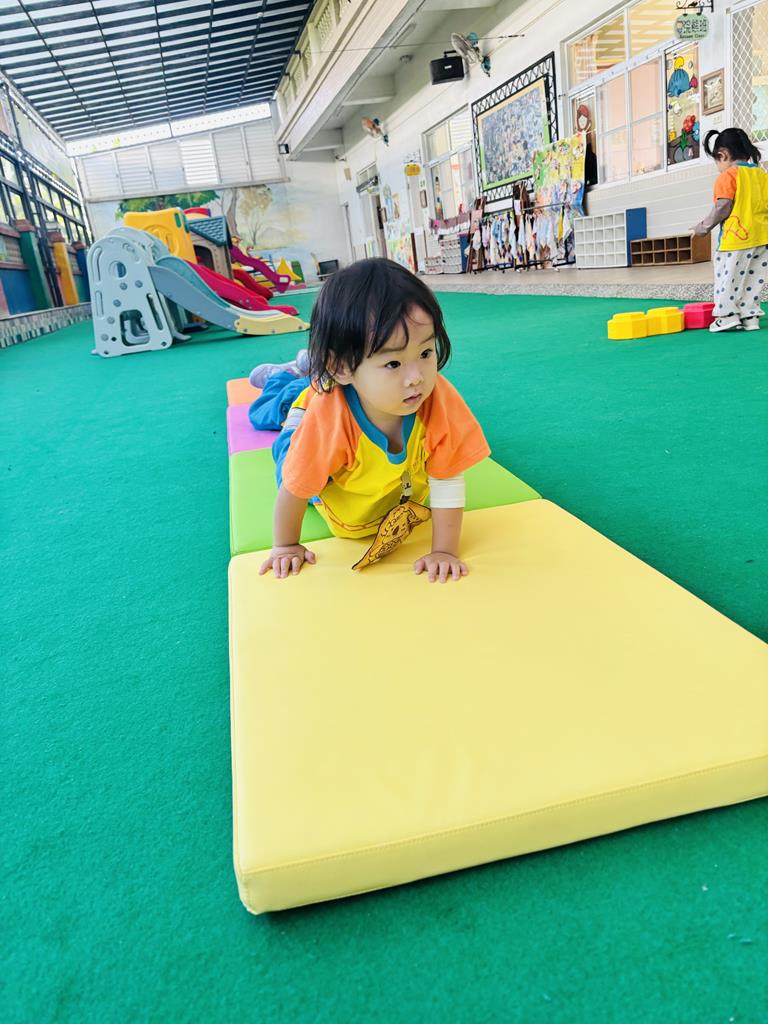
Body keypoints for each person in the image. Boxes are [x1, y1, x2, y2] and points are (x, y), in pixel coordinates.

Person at [254, 258, 490, 582]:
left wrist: (444, 551)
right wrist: (285, 546)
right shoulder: (331, 420)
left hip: (346, 401)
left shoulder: (437, 398)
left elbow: (447, 476)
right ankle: (285, 379)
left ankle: (310, 370)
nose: (416, 378)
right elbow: (294, 487)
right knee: (286, 436)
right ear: (342, 367)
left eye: (425, 353)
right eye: (393, 363)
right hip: (318, 428)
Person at [691, 128, 768, 333]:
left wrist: (703, 227)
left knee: (728, 277)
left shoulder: (728, 176)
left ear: (723, 155)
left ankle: (726, 316)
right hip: (762, 238)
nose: (718, 167)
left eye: (716, 161)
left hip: (736, 240)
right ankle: (749, 315)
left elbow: (722, 207)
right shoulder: (761, 175)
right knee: (753, 277)